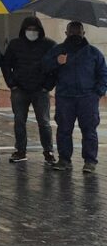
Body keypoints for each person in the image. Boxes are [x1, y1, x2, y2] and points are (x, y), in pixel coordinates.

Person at [44, 21, 107, 173]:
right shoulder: (58, 51)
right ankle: (64, 159)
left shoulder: (93, 53)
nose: (75, 35)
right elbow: (44, 67)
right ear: (66, 33)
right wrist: (56, 62)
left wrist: (98, 92)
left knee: (89, 130)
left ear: (83, 33)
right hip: (65, 97)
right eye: (71, 32)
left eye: (77, 32)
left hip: (87, 97)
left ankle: (90, 161)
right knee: (64, 129)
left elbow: (103, 73)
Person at [2, 17, 58, 165]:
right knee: (19, 121)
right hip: (19, 89)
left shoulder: (49, 45)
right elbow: (6, 64)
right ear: (23, 30)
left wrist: (48, 86)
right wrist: (12, 84)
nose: (32, 32)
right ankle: (20, 150)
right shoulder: (15, 45)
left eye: (35, 29)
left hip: (40, 90)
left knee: (44, 122)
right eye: (29, 29)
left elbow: (55, 67)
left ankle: (48, 151)